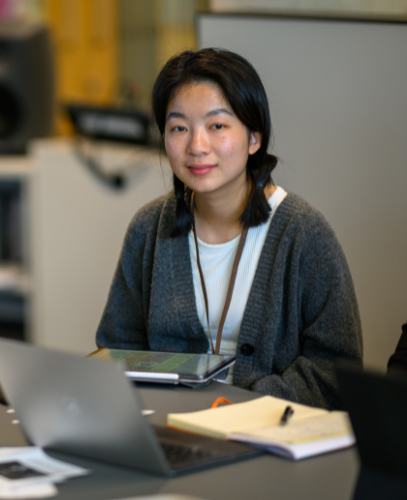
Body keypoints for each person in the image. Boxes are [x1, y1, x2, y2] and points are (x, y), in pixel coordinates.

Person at [95, 48, 362, 410]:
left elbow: (336, 372)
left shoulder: (303, 232)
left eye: (217, 126)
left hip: (270, 440)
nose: (196, 146)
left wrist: (245, 407)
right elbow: (116, 351)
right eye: (179, 128)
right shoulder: (148, 228)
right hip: (167, 432)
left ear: (254, 138)